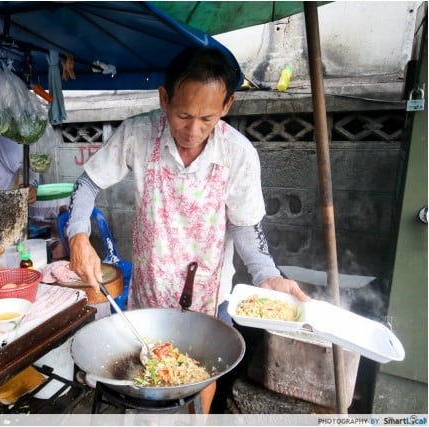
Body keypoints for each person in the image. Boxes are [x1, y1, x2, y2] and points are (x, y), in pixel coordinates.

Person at [64, 46, 310, 414]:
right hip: (150, 295)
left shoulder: (238, 154)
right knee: (147, 381)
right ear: (164, 99)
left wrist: (267, 275)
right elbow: (87, 184)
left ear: (227, 105)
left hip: (210, 297)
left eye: (207, 118)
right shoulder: (138, 134)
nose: (193, 131)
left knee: (202, 376)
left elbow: (245, 227)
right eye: (183, 115)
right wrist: (78, 235)